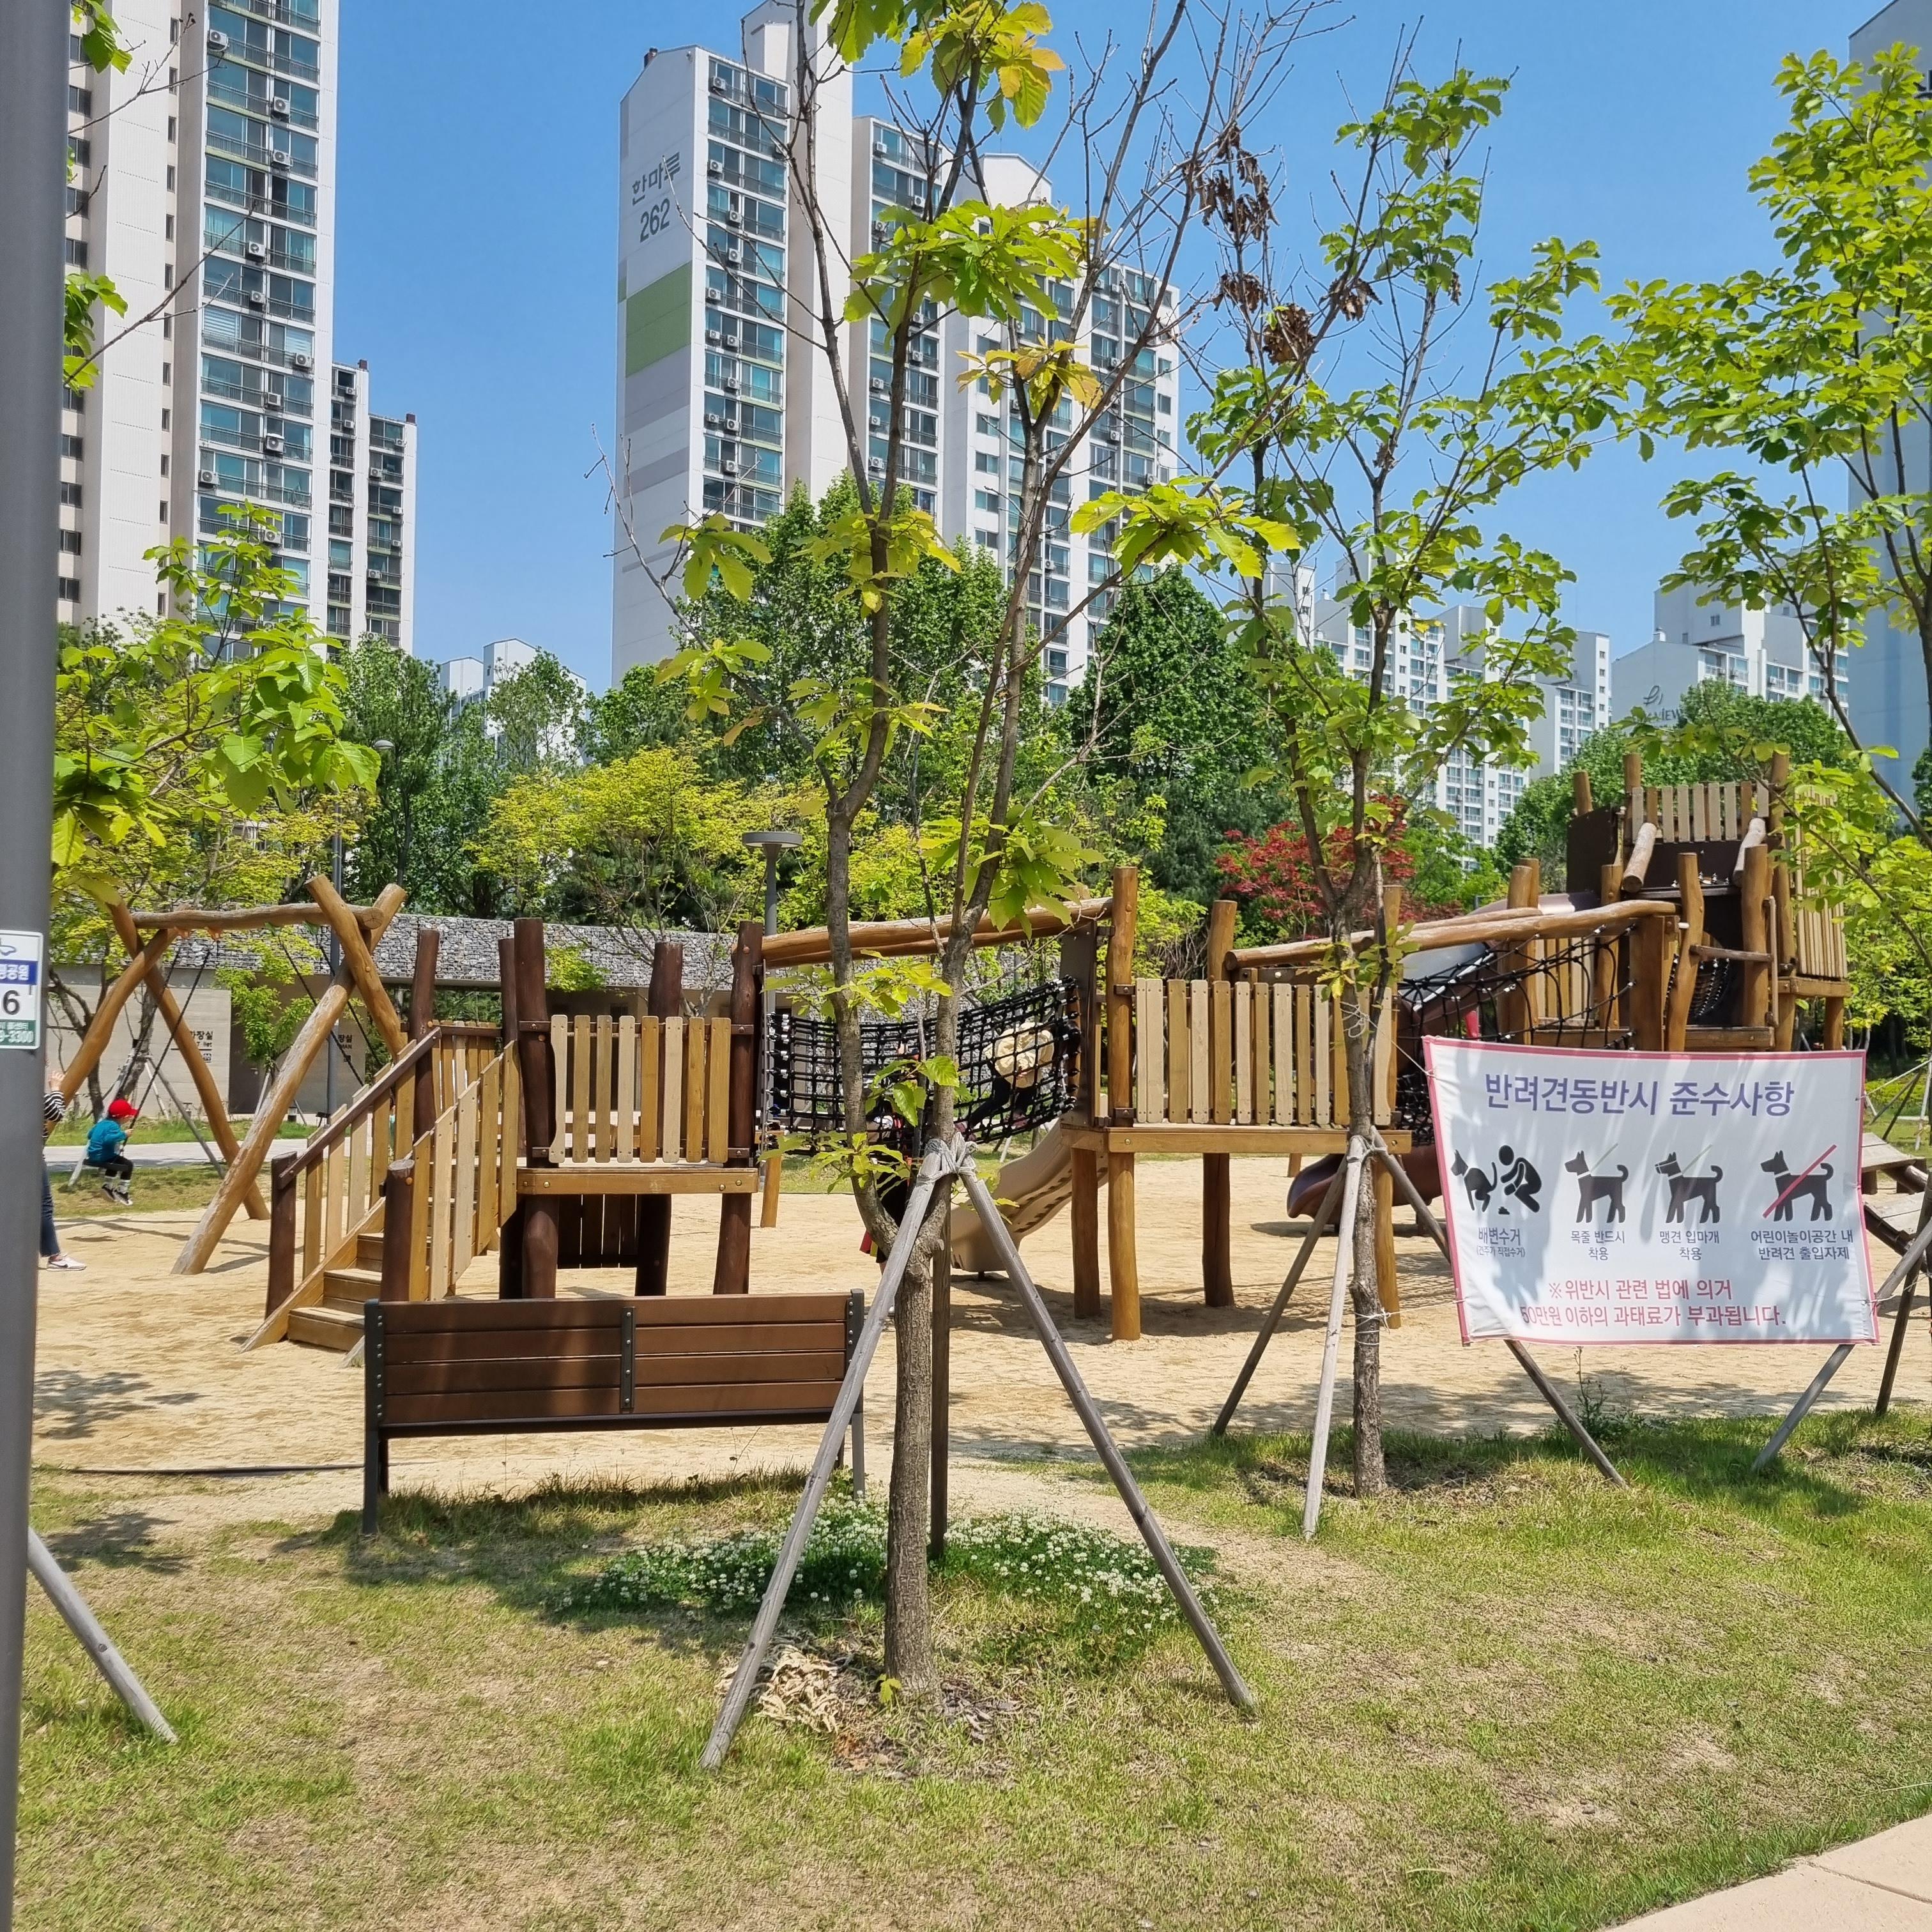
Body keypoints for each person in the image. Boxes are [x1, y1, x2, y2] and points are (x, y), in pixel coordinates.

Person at [41, 1069, 83, 1270]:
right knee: (43, 1206)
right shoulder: (27, 1088)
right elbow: (55, 1113)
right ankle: (55, 1257)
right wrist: (56, 1090)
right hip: (30, 1156)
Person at [84, 1096, 138, 1205]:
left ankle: (108, 1187)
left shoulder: (101, 1123)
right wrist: (123, 1134)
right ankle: (122, 1192)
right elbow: (108, 1139)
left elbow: (89, 1135)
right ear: (124, 1118)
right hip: (103, 1156)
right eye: (129, 1116)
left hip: (93, 1156)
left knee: (114, 1161)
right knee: (128, 1165)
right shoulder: (114, 1126)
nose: (130, 1118)